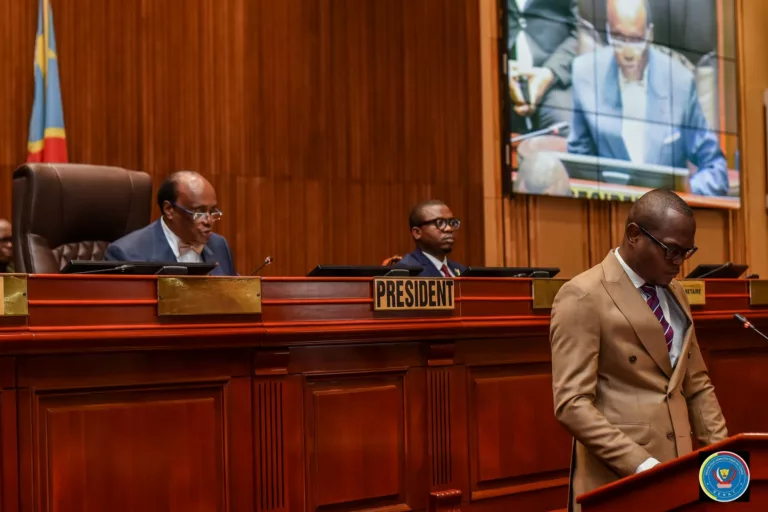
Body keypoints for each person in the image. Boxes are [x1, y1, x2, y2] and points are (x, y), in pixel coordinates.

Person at [550, 189, 727, 511]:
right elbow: (572, 404)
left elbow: (697, 384)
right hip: (621, 475)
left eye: (687, 253)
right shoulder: (582, 294)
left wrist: (724, 458)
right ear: (634, 235)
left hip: (679, 469)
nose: (679, 264)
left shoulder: (675, 292)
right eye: (671, 251)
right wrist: (641, 464)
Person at [567, 0, 729, 197]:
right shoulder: (585, 74)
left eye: (636, 40)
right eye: (618, 38)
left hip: (665, 218)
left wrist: (682, 197)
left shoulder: (680, 83)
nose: (627, 53)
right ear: (608, 31)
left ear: (649, 34)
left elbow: (716, 168)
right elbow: (579, 164)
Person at [105, 171, 236, 276]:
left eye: (212, 211)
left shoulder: (219, 246)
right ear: (169, 210)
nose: (209, 221)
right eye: (199, 212)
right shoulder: (126, 255)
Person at [507, 0, 579, 134]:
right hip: (494, 75)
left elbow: (585, 31)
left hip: (558, 75)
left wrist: (550, 73)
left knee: (568, 131)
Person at [396, 200, 466, 278]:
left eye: (452, 222)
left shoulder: (462, 271)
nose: (449, 228)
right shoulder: (407, 272)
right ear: (417, 233)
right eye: (440, 223)